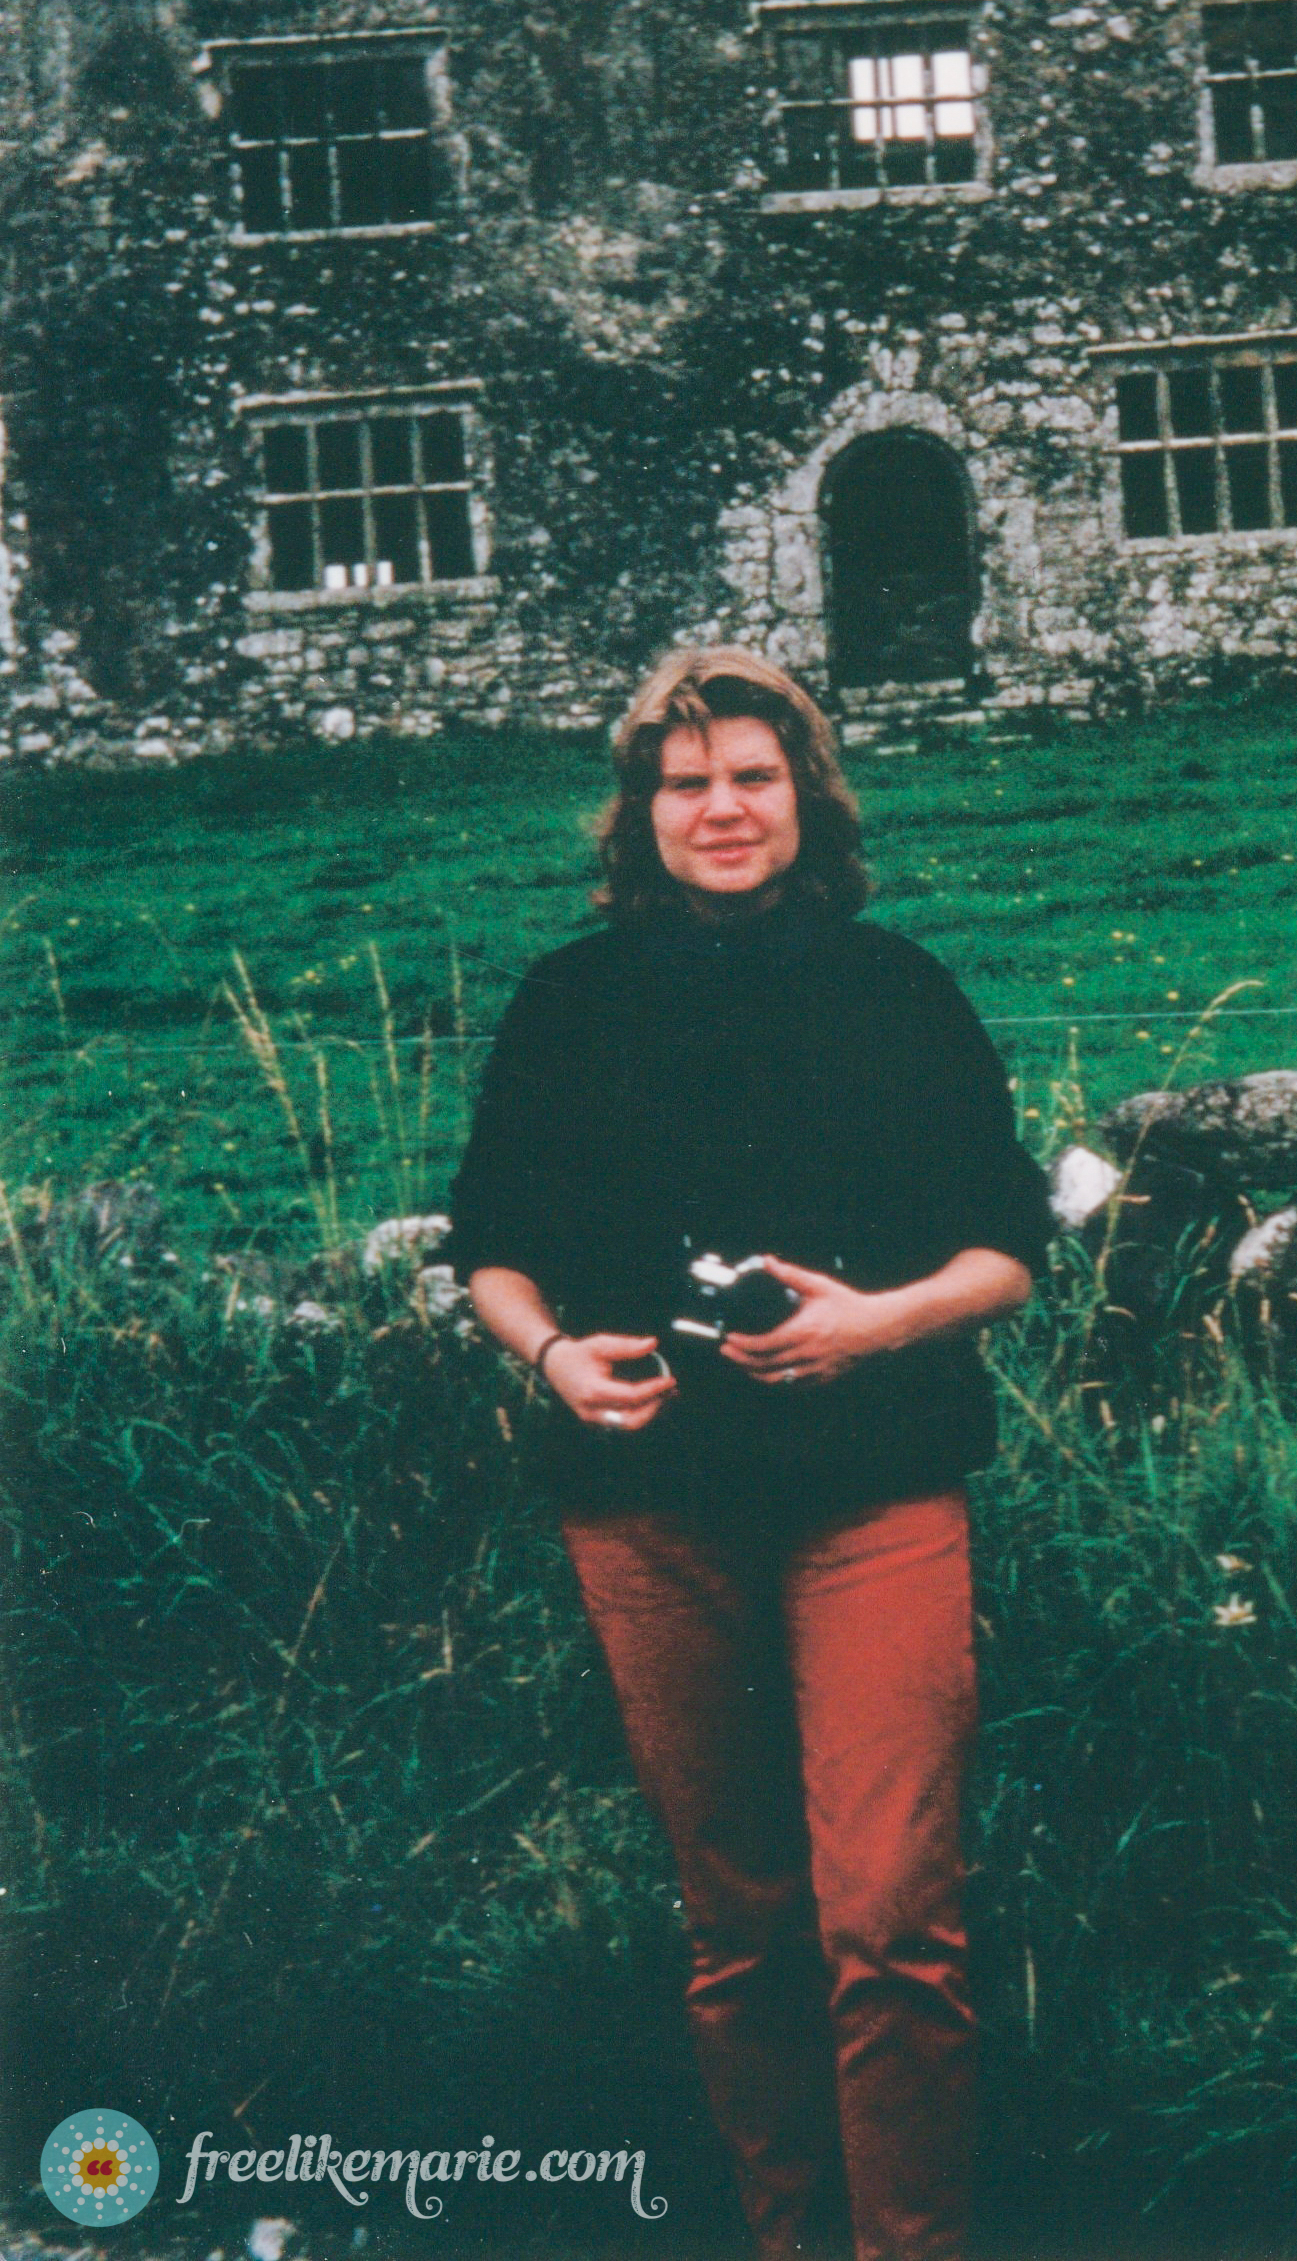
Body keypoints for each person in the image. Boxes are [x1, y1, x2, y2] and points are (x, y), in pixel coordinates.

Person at [445, 644, 1049, 2261]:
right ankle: (787, 2235)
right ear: (642, 812)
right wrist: (558, 1355)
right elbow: (490, 1249)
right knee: (744, 1925)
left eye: (755, 777)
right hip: (647, 1506)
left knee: (891, 1920)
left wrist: (878, 1323)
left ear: (808, 800)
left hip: (877, 1488)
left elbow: (1008, 1249)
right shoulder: (569, 1003)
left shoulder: (896, 988)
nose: (723, 806)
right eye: (688, 780)